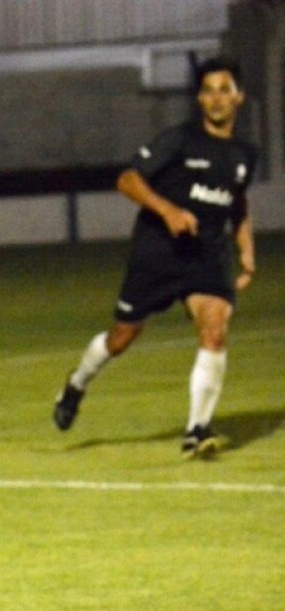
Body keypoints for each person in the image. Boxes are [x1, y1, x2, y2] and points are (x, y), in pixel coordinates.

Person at [52, 57, 257, 458]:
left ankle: (197, 430)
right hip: (158, 251)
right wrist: (168, 211)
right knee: (122, 336)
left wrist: (246, 248)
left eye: (224, 89)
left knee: (214, 330)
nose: (216, 98)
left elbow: (238, 200)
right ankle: (76, 384)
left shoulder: (245, 153)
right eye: (209, 90)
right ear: (200, 99)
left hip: (207, 253)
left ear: (239, 97)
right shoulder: (179, 140)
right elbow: (127, 179)